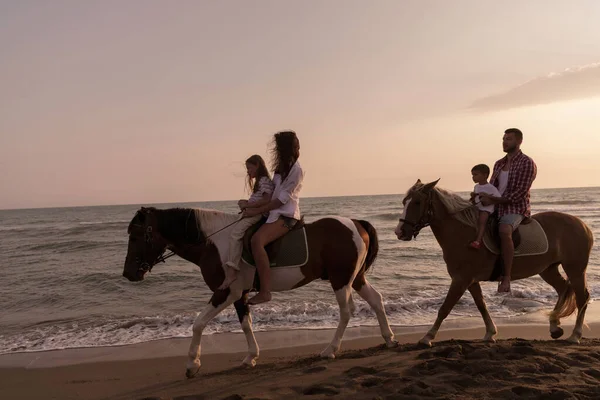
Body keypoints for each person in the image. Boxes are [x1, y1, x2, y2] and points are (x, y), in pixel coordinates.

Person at [242, 131, 304, 305]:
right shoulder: (280, 168)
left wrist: (256, 211)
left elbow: (280, 200)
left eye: (278, 147)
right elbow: (271, 195)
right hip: (272, 213)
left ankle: (265, 291)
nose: (275, 150)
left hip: (286, 215)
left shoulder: (296, 170)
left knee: (256, 241)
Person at [479, 128, 537, 293]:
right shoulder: (499, 163)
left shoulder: (527, 163)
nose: (504, 142)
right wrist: (480, 195)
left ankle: (506, 278)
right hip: (496, 205)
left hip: (516, 208)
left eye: (509, 139)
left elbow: (520, 193)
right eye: (504, 139)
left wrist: (494, 200)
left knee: (504, 230)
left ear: (519, 142)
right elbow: (492, 187)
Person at [218, 155, 274, 290]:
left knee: (236, 234)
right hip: (255, 212)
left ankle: (232, 272)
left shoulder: (264, 180)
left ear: (258, 166)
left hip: (258, 214)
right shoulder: (260, 181)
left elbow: (267, 200)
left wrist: (249, 205)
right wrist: (245, 203)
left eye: (250, 168)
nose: (248, 171)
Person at [469, 164, 501, 249]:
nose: (473, 177)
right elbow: (474, 199)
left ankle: (478, 241)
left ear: (485, 175)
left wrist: (487, 196)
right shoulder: (476, 186)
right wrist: (473, 197)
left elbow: (498, 198)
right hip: (477, 207)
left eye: (476, 175)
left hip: (486, 209)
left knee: (482, 221)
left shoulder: (491, 188)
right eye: (472, 175)